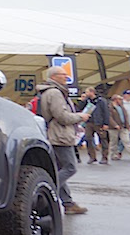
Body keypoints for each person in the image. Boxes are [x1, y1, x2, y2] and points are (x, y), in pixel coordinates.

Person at [37, 66, 90, 215]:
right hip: (60, 135)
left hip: (54, 134)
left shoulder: (49, 91)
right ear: (54, 76)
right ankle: (43, 192)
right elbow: (62, 116)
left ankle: (67, 203)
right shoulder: (55, 93)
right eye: (63, 75)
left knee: (59, 169)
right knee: (70, 167)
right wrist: (80, 116)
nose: (66, 77)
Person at [80, 87, 111, 164]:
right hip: (89, 122)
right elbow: (80, 108)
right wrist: (83, 101)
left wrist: (106, 123)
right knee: (88, 138)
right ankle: (92, 157)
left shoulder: (101, 101)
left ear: (92, 92)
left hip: (99, 122)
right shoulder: (87, 101)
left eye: (87, 92)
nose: (86, 94)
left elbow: (106, 112)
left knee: (103, 139)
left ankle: (104, 157)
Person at [108, 95, 130, 161]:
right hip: (113, 128)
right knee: (114, 142)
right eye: (119, 99)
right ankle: (113, 155)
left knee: (126, 140)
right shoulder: (110, 107)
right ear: (115, 100)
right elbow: (109, 118)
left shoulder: (122, 107)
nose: (121, 101)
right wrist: (115, 125)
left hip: (123, 126)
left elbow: (125, 116)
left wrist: (127, 126)